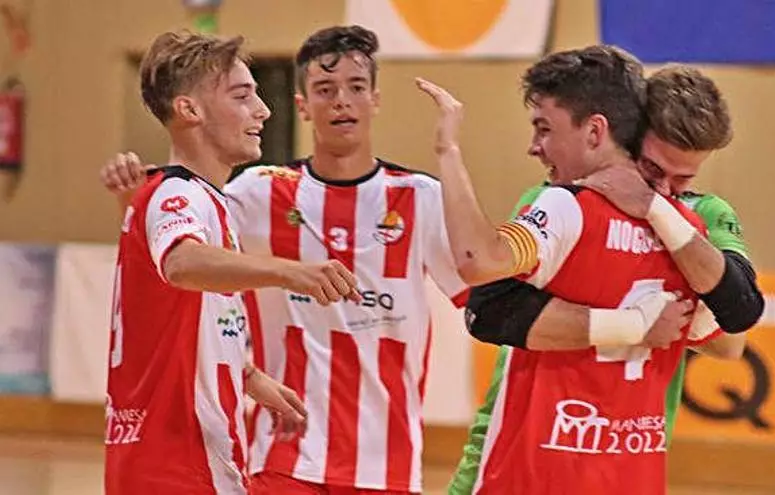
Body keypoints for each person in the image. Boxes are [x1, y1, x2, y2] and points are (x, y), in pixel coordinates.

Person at [101, 27, 695, 494]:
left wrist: (626, 322)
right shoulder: (252, 192)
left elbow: (494, 308)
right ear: (305, 104)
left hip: (385, 463)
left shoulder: (421, 198)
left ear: (376, 99)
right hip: (276, 459)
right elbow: (179, 250)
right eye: (325, 89)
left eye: (356, 86)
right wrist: (144, 189)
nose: (341, 101)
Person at [447, 64, 765, 494]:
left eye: (683, 178)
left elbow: (732, 337)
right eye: (653, 169)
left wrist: (655, 210)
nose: (667, 188)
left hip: (623, 456)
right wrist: (634, 323)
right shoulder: (562, 201)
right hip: (518, 449)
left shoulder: (700, 216)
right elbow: (487, 310)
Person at [104, 30, 359, 495]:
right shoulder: (178, 194)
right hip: (176, 465)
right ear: (189, 110)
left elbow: (182, 320)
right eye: (242, 96)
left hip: (184, 460)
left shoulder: (201, 200)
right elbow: (182, 263)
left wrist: (249, 377)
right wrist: (290, 271)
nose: (263, 110)